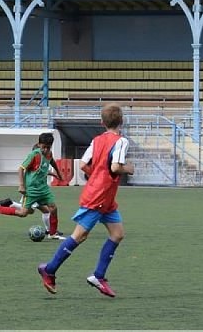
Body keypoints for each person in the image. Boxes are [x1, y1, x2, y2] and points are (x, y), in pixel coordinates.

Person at [37, 104, 134, 297]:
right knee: (79, 236)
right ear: (122, 121)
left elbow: (82, 164)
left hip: (104, 197)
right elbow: (115, 167)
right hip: (98, 196)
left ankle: (99, 276)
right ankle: (49, 269)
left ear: (102, 123)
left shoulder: (97, 140)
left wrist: (97, 176)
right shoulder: (121, 141)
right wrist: (128, 169)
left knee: (118, 234)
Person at [0, 133, 66, 240]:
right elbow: (21, 169)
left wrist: (59, 174)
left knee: (53, 208)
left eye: (48, 147)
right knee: (23, 213)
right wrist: (21, 185)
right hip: (31, 190)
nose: (46, 150)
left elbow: (51, 163)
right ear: (39, 144)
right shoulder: (34, 155)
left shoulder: (49, 154)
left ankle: (52, 233)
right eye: (44, 147)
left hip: (43, 189)